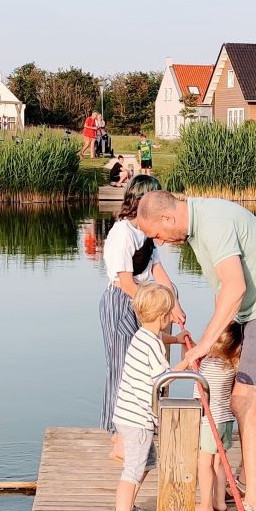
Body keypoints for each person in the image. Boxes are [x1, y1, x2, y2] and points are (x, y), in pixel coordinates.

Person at [135, 192, 256, 511]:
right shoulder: (198, 230)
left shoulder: (213, 223)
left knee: (245, 402)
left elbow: (235, 288)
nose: (159, 242)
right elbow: (221, 292)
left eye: (155, 234)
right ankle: (245, 480)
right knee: (238, 400)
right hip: (251, 314)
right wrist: (212, 341)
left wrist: (203, 346)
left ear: (167, 220)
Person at [99, 175, 184, 461]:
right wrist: (156, 304)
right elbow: (125, 282)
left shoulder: (148, 234)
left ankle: (142, 427)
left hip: (146, 303)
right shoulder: (123, 232)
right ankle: (118, 438)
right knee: (122, 367)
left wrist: (173, 301)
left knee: (144, 366)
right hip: (123, 303)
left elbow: (159, 273)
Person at [111, 281, 176, 511]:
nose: (170, 319)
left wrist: (176, 339)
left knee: (146, 465)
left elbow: (160, 341)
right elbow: (165, 378)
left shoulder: (143, 336)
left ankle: (130, 508)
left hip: (127, 415)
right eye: (169, 315)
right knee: (132, 471)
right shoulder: (153, 346)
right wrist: (188, 359)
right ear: (163, 318)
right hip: (138, 421)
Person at [195, 321, 242, 511]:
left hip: (209, 423)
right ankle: (220, 502)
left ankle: (206, 505)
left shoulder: (207, 364)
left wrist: (188, 347)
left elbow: (191, 363)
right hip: (225, 421)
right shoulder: (231, 366)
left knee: (204, 463)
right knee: (220, 463)